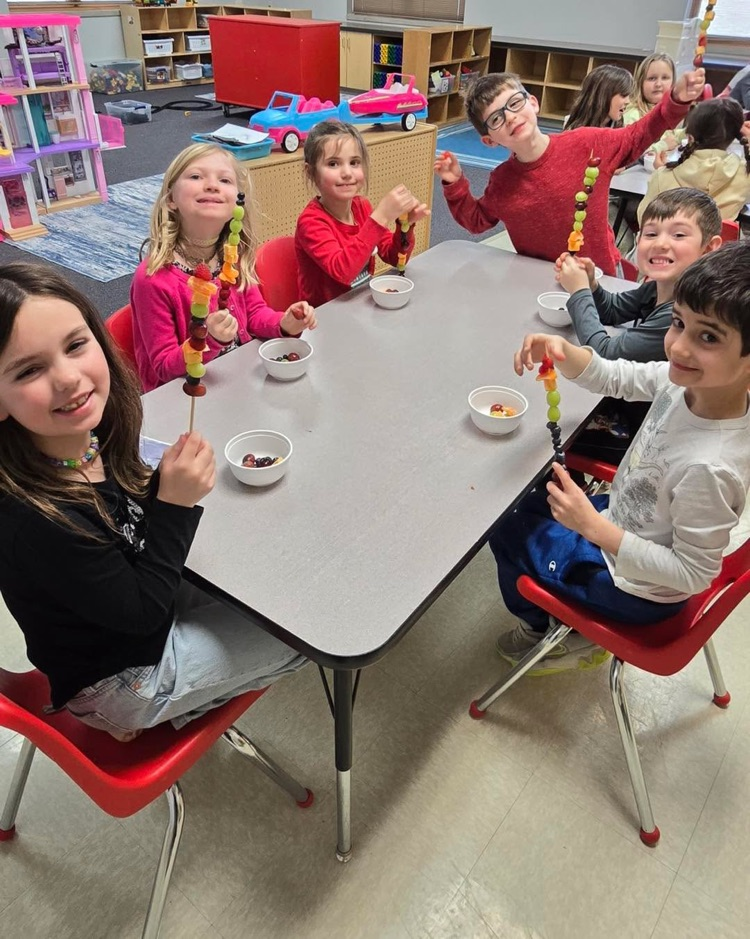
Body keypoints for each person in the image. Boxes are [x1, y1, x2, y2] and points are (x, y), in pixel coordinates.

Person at [0, 262, 307, 741]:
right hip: (125, 679)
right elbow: (142, 616)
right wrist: (174, 505)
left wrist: (161, 490)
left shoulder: (88, 434)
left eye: (76, 345)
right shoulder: (31, 521)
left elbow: (127, 531)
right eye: (29, 370)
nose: (67, 378)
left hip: (134, 601)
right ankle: (169, 712)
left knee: (275, 576)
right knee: (304, 631)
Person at [489, 241, 750, 675]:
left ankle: (542, 634)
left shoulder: (712, 467)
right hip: (620, 522)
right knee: (520, 500)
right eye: (679, 323)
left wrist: (592, 527)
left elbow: (692, 574)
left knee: (501, 529)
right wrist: (569, 355)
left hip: (631, 588)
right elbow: (623, 376)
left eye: (708, 337)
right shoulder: (685, 382)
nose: (679, 348)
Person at [434, 67, 704, 276]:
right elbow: (478, 220)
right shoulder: (503, 180)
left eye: (514, 103)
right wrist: (455, 183)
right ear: (489, 140)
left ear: (533, 103)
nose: (510, 117)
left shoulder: (589, 143)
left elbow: (639, 134)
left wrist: (677, 100)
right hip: (540, 284)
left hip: (600, 279)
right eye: (496, 118)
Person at [131, 143, 316, 392]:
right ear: (171, 199)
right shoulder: (153, 279)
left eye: (225, 180)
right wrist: (208, 339)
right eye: (196, 176)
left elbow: (254, 315)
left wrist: (284, 323)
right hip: (186, 398)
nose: (211, 185)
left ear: (237, 204)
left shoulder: (232, 259)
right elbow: (163, 368)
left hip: (239, 381)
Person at [556, 188, 722, 462]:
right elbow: (612, 310)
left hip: (642, 435)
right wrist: (592, 284)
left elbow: (603, 355)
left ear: (709, 248)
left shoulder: (684, 315)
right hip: (626, 402)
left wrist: (578, 292)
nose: (660, 244)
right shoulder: (661, 286)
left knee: (550, 432)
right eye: (651, 233)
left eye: (678, 235)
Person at [295, 120, 430, 307]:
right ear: (310, 173)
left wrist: (404, 226)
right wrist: (381, 216)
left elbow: (393, 256)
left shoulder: (361, 207)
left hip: (360, 307)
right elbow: (343, 271)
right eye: (333, 164)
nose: (347, 173)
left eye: (354, 162)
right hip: (325, 320)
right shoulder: (311, 222)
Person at [637, 98, 750, 223]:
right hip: (718, 242)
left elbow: (643, 219)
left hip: (667, 241)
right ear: (737, 136)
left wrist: (661, 173)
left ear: (690, 136)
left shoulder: (662, 177)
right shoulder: (744, 177)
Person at [622, 52, 684, 159]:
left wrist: (689, 132)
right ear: (640, 83)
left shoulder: (667, 113)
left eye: (665, 78)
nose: (658, 84)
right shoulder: (633, 115)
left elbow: (672, 137)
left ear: (673, 83)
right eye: (652, 78)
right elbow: (628, 153)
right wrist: (662, 146)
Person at [564, 64, 633, 131]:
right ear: (603, 95)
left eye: (628, 95)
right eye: (623, 95)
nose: (628, 101)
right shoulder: (572, 128)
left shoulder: (622, 130)